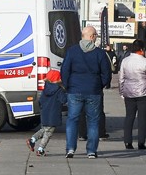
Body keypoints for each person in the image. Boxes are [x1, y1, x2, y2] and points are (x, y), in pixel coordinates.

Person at [61, 25, 112, 159]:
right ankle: (91, 151)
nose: (96, 38)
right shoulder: (99, 53)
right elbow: (106, 74)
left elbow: (65, 70)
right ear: (91, 37)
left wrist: (68, 86)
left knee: (72, 119)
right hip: (93, 91)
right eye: (95, 35)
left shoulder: (72, 51)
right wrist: (99, 85)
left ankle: (70, 149)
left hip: (75, 90)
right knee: (93, 121)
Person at [27, 70, 67, 156]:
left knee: (44, 129)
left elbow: (40, 101)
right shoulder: (59, 90)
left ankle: (32, 140)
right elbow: (64, 100)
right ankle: (41, 149)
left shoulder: (45, 89)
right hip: (53, 114)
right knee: (48, 133)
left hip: (45, 113)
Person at [119, 39, 146, 150]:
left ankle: (127, 142)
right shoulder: (144, 61)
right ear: (141, 49)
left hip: (128, 92)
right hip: (143, 92)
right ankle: (141, 142)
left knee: (129, 117)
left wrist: (122, 92)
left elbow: (121, 78)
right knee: (142, 118)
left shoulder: (125, 61)